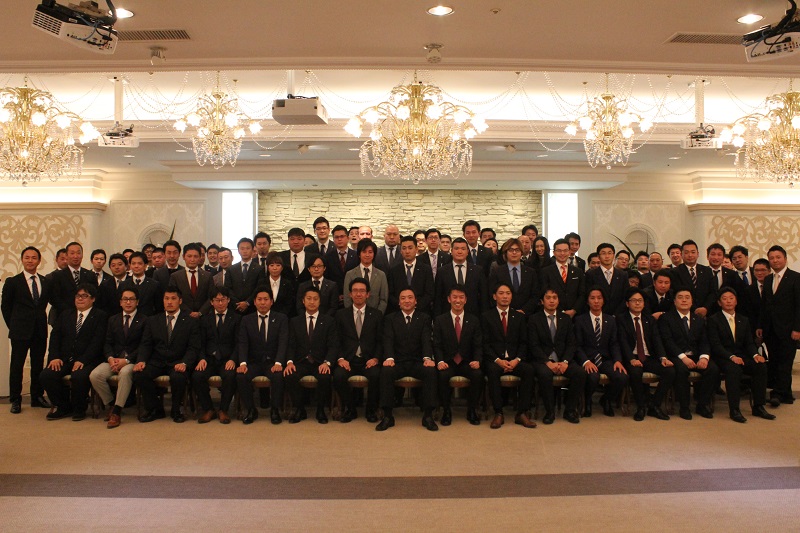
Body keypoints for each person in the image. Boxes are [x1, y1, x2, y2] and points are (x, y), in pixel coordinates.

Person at [39, 283, 108, 421]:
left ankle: (79, 408)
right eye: (78, 296)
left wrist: (83, 360)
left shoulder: (100, 316)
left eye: (84, 296)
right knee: (46, 375)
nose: (80, 299)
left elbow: (98, 342)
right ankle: (63, 406)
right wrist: (54, 357)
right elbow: (55, 337)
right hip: (64, 358)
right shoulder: (66, 314)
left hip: (88, 359)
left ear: (93, 299)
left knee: (79, 376)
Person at [708, 287, 776, 423]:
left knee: (760, 366)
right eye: (724, 299)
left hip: (741, 355)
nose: (728, 301)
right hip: (723, 357)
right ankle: (734, 409)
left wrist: (755, 355)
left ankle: (758, 406)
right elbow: (715, 345)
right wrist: (731, 357)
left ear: (736, 301)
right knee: (734, 370)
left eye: (731, 298)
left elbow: (749, 343)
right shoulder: (713, 320)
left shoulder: (743, 320)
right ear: (719, 303)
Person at [134, 287, 201, 423]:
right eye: (166, 298)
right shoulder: (153, 320)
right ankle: (156, 409)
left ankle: (176, 410)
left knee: (178, 377)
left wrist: (185, 363)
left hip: (178, 361)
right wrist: (141, 360)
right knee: (139, 374)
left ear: (180, 301)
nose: (169, 302)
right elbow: (146, 344)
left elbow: (193, 347)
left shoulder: (190, 322)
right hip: (157, 361)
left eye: (173, 298)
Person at [376, 288, 438, 432]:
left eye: (410, 298)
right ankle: (387, 416)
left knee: (430, 371)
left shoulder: (424, 318)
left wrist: (427, 358)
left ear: (416, 301)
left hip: (417, 361)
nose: (407, 301)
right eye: (403, 298)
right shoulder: (390, 318)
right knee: (386, 372)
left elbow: (426, 340)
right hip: (398, 361)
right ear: (399, 302)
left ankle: (428, 416)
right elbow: (388, 340)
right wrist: (389, 358)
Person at [1, 246, 53, 413]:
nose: (30, 260)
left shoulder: (45, 281)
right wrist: (13, 325)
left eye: (34, 258)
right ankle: (15, 399)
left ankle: (37, 396)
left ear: (39, 261)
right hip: (20, 331)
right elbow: (5, 307)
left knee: (38, 365)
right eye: (27, 257)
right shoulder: (13, 282)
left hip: (39, 330)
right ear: (22, 260)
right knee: (17, 366)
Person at [481, 283, 536, 429]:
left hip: (514, 360)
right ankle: (498, 413)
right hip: (495, 360)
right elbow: (485, 344)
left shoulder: (519, 316)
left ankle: (522, 413)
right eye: (501, 293)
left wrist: (517, 360)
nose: (505, 296)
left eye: (508, 293)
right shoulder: (486, 316)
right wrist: (498, 361)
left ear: (512, 297)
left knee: (529, 370)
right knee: (492, 371)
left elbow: (524, 343)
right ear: (494, 296)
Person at [658, 288, 719, 420]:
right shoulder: (666, 318)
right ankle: (684, 407)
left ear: (692, 302)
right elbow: (667, 341)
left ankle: (702, 405)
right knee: (681, 370)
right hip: (676, 355)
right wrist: (683, 357)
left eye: (687, 297)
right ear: (674, 301)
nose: (684, 300)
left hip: (696, 355)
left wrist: (704, 358)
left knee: (712, 369)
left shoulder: (699, 319)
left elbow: (704, 341)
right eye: (680, 297)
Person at [528, 287, 586, 424]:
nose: (551, 301)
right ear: (542, 301)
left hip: (562, 359)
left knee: (580, 373)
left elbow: (571, 344)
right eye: (548, 298)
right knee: (545, 374)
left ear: (558, 301)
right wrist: (547, 362)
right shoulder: (534, 319)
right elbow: (533, 345)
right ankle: (549, 412)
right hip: (543, 360)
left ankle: (570, 410)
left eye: (554, 298)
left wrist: (565, 361)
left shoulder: (565, 318)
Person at [90, 287, 145, 428]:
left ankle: (117, 412)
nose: (128, 302)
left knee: (125, 373)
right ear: (120, 302)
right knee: (95, 375)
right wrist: (110, 359)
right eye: (125, 299)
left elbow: (144, 346)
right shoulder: (112, 319)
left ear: (137, 302)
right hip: (113, 359)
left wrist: (126, 360)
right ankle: (111, 404)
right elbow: (107, 342)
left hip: (132, 361)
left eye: (131, 299)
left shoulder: (144, 320)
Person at [616, 287, 674, 421]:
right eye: (634, 300)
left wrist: (663, 357)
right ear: (627, 303)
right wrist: (631, 359)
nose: (637, 303)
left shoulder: (649, 319)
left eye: (640, 300)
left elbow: (656, 339)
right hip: (632, 357)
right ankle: (641, 407)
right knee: (635, 373)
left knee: (670, 371)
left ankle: (655, 405)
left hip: (648, 357)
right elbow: (622, 341)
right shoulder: (621, 319)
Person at [285, 286, 338, 424]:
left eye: (315, 299)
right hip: (301, 361)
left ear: (320, 301)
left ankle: (320, 410)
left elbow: (333, 346)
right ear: (303, 301)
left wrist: (327, 362)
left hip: (320, 362)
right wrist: (289, 362)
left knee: (325, 376)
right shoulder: (295, 321)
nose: (312, 302)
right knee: (290, 375)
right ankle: (299, 409)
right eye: (309, 298)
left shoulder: (329, 321)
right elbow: (291, 345)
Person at [333, 277, 383, 423]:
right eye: (355, 291)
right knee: (338, 376)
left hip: (369, 359)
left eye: (362, 291)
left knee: (376, 375)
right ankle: (350, 409)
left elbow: (380, 341)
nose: (358, 294)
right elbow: (336, 341)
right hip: (348, 360)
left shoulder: (377, 314)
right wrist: (341, 359)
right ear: (350, 294)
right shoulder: (341, 314)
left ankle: (371, 410)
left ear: (368, 294)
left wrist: (376, 358)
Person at [237, 286, 288, 425]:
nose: (263, 302)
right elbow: (243, 343)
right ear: (254, 302)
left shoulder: (281, 318)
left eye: (266, 299)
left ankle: (275, 410)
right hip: (253, 362)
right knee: (241, 376)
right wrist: (243, 363)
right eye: (259, 299)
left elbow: (283, 342)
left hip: (272, 362)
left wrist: (279, 363)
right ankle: (251, 410)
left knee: (278, 376)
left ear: (271, 301)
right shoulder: (246, 320)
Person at [574, 287, 627, 417]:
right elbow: (577, 345)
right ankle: (587, 402)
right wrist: (585, 361)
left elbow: (614, 343)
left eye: (599, 298)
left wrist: (618, 360)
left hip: (605, 359)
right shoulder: (580, 320)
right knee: (593, 377)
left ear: (603, 300)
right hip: (588, 359)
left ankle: (606, 400)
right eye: (592, 298)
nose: (596, 301)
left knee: (621, 377)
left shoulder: (611, 320)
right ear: (588, 301)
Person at [434, 285, 484, 426]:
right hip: (448, 361)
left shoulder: (473, 320)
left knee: (477, 374)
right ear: (449, 299)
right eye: (454, 297)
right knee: (442, 375)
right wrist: (440, 361)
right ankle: (446, 411)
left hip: (467, 361)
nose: (458, 300)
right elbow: (437, 345)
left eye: (461, 297)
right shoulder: (440, 320)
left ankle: (472, 410)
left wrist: (477, 360)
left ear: (466, 300)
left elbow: (478, 345)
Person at [758, 245, 800, 406]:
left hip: (789, 329)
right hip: (771, 329)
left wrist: (797, 328)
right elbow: (764, 305)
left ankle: (777, 394)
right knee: (775, 361)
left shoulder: (796, 277)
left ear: (785, 259)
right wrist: (760, 325)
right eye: (772, 258)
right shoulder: (768, 279)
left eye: (778, 257)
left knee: (785, 362)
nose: (775, 260)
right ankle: (786, 394)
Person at [193, 287, 240, 424]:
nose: (220, 303)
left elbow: (239, 343)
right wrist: (201, 358)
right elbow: (200, 343)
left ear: (228, 300)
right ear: (211, 302)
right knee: (197, 376)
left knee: (230, 376)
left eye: (223, 300)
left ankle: (223, 410)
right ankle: (209, 409)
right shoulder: (204, 320)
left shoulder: (236, 319)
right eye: (217, 300)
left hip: (227, 359)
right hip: (209, 359)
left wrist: (233, 359)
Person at [434, 237, 487, 317]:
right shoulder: (442, 271)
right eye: (456, 249)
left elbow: (483, 297)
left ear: (467, 252)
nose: (459, 251)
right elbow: (438, 298)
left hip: (473, 315)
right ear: (451, 251)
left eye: (463, 249)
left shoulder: (478, 270)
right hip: (448, 316)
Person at [488, 238, 540, 315]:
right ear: (506, 253)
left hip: (526, 315)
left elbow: (535, 295)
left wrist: (524, 310)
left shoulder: (530, 272)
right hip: (503, 314)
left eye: (517, 250)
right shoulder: (497, 272)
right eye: (511, 250)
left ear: (521, 253)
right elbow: (492, 293)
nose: (514, 252)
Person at [387, 235, 435, 316]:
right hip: (399, 313)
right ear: (401, 251)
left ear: (416, 249)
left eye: (410, 248)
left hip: (421, 313)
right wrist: (402, 305)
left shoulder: (425, 269)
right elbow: (390, 294)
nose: (407, 251)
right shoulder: (394, 270)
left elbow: (429, 293)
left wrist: (415, 306)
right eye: (404, 248)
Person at [539, 238, 585, 318]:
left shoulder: (578, 271)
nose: (562, 253)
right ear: (554, 253)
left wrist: (574, 310)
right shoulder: (546, 271)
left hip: (575, 315)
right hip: (554, 314)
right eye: (559, 251)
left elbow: (582, 294)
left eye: (565, 250)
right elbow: (544, 293)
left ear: (569, 252)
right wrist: (561, 312)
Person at [50, 241, 95, 320]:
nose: (75, 256)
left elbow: (94, 295)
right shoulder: (57, 276)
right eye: (72, 253)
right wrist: (71, 312)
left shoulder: (90, 275)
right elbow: (54, 299)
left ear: (82, 255)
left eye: (78, 253)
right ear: (67, 256)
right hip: (64, 317)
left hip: (87, 317)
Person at [343, 239, 388, 313]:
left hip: (375, 315)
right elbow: (347, 298)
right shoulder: (350, 274)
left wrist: (377, 315)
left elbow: (384, 299)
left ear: (374, 254)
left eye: (370, 252)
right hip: (354, 315)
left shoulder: (381, 275)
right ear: (359, 254)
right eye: (364, 252)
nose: (367, 255)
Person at [169, 243, 213, 318]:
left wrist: (200, 312)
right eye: (189, 256)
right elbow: (174, 297)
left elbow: (211, 297)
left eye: (195, 256)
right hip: (183, 316)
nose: (192, 259)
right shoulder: (175, 276)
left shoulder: (207, 276)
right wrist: (189, 312)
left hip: (203, 317)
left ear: (200, 257)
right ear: (183, 257)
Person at [672, 240, 714, 317]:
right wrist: (694, 309)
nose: (690, 255)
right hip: (685, 313)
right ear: (681, 254)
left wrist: (705, 308)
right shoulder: (675, 272)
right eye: (686, 252)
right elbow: (675, 292)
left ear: (698, 254)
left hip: (706, 313)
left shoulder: (707, 271)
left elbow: (712, 292)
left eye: (693, 252)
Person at [585, 242, 629, 315]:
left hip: (618, 315)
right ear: (598, 257)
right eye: (603, 253)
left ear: (614, 256)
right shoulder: (591, 274)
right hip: (598, 314)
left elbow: (626, 296)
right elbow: (588, 296)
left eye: (609, 253)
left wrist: (617, 314)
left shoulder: (623, 275)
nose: (607, 256)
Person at [229, 238, 267, 315]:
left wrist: (247, 303)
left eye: (248, 248)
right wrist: (237, 303)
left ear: (253, 250)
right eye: (242, 248)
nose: (245, 251)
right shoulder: (231, 269)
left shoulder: (259, 269)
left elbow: (259, 288)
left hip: (252, 308)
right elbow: (228, 288)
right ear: (238, 250)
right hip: (235, 308)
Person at [122, 252, 162, 316]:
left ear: (145, 265)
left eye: (139, 263)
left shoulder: (154, 285)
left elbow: (159, 308)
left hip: (148, 320)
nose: (136, 266)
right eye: (133, 263)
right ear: (130, 265)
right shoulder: (123, 284)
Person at [325, 225, 359, 298]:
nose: (339, 239)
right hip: (334, 296)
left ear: (348, 238)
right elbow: (327, 279)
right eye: (336, 237)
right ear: (333, 239)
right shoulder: (328, 257)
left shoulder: (356, 256)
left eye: (342, 236)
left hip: (353, 295)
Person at [265, 252, 296, 317]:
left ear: (282, 268)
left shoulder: (287, 284)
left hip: (283, 317)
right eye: (272, 265)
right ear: (268, 267)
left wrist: (280, 317)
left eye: (278, 265)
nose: (275, 268)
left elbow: (289, 303)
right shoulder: (262, 283)